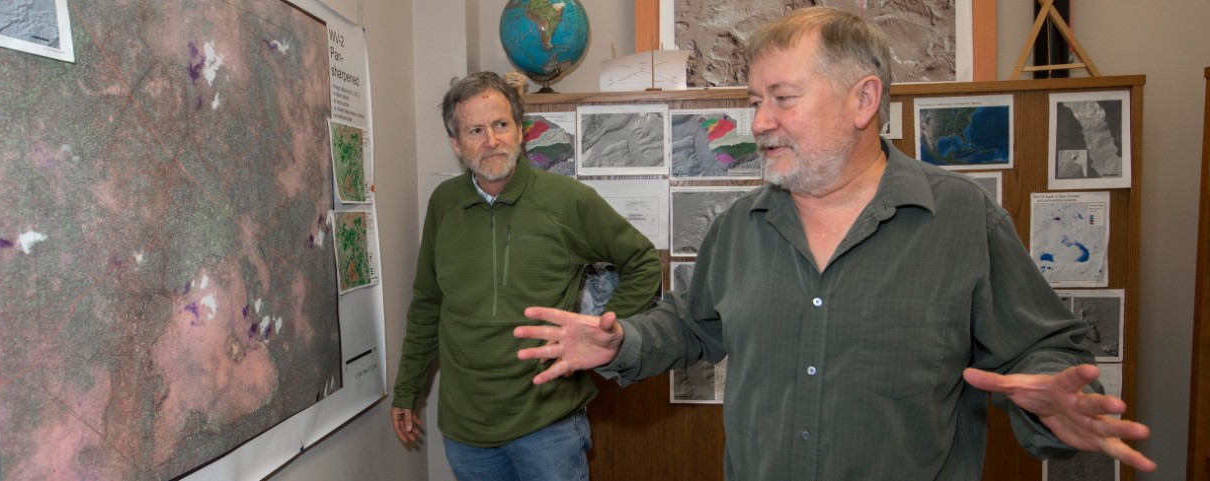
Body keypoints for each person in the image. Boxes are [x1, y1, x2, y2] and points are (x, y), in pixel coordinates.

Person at [513, 7, 1155, 480]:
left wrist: (1049, 393)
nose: (759, 121)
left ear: (863, 100)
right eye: (754, 100)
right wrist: (622, 340)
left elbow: (1045, 348)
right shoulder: (741, 226)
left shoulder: (963, 219)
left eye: (783, 98)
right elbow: (691, 325)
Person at [391, 71, 661, 481]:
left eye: (501, 125)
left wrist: (600, 330)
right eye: (475, 130)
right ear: (456, 143)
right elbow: (428, 304)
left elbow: (643, 261)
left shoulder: (566, 200)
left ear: (521, 130)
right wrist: (407, 389)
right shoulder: (443, 205)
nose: (491, 140)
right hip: (468, 432)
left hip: (548, 426)